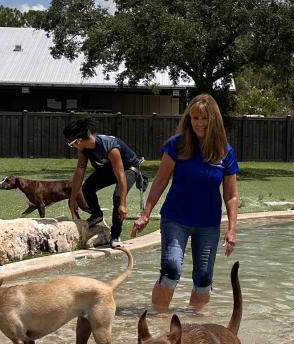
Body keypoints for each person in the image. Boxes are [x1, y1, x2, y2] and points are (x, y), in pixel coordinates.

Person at [131, 93, 238, 311]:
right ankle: (157, 317)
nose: (199, 123)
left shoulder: (224, 152)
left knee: (204, 275)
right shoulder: (177, 145)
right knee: (171, 267)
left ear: (214, 120)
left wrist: (232, 229)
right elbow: (161, 180)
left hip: (208, 224)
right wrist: (145, 214)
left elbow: (231, 195)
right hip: (175, 219)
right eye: (195, 118)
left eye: (205, 118)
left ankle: (195, 321)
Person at [64, 117, 147, 247]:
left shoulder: (110, 147)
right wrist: (73, 198)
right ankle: (96, 215)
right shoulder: (83, 149)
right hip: (111, 168)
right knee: (87, 187)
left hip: (129, 168)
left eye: (70, 143)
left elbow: (120, 176)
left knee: (118, 197)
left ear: (79, 140)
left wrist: (123, 204)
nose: (72, 146)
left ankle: (115, 236)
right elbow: (80, 171)